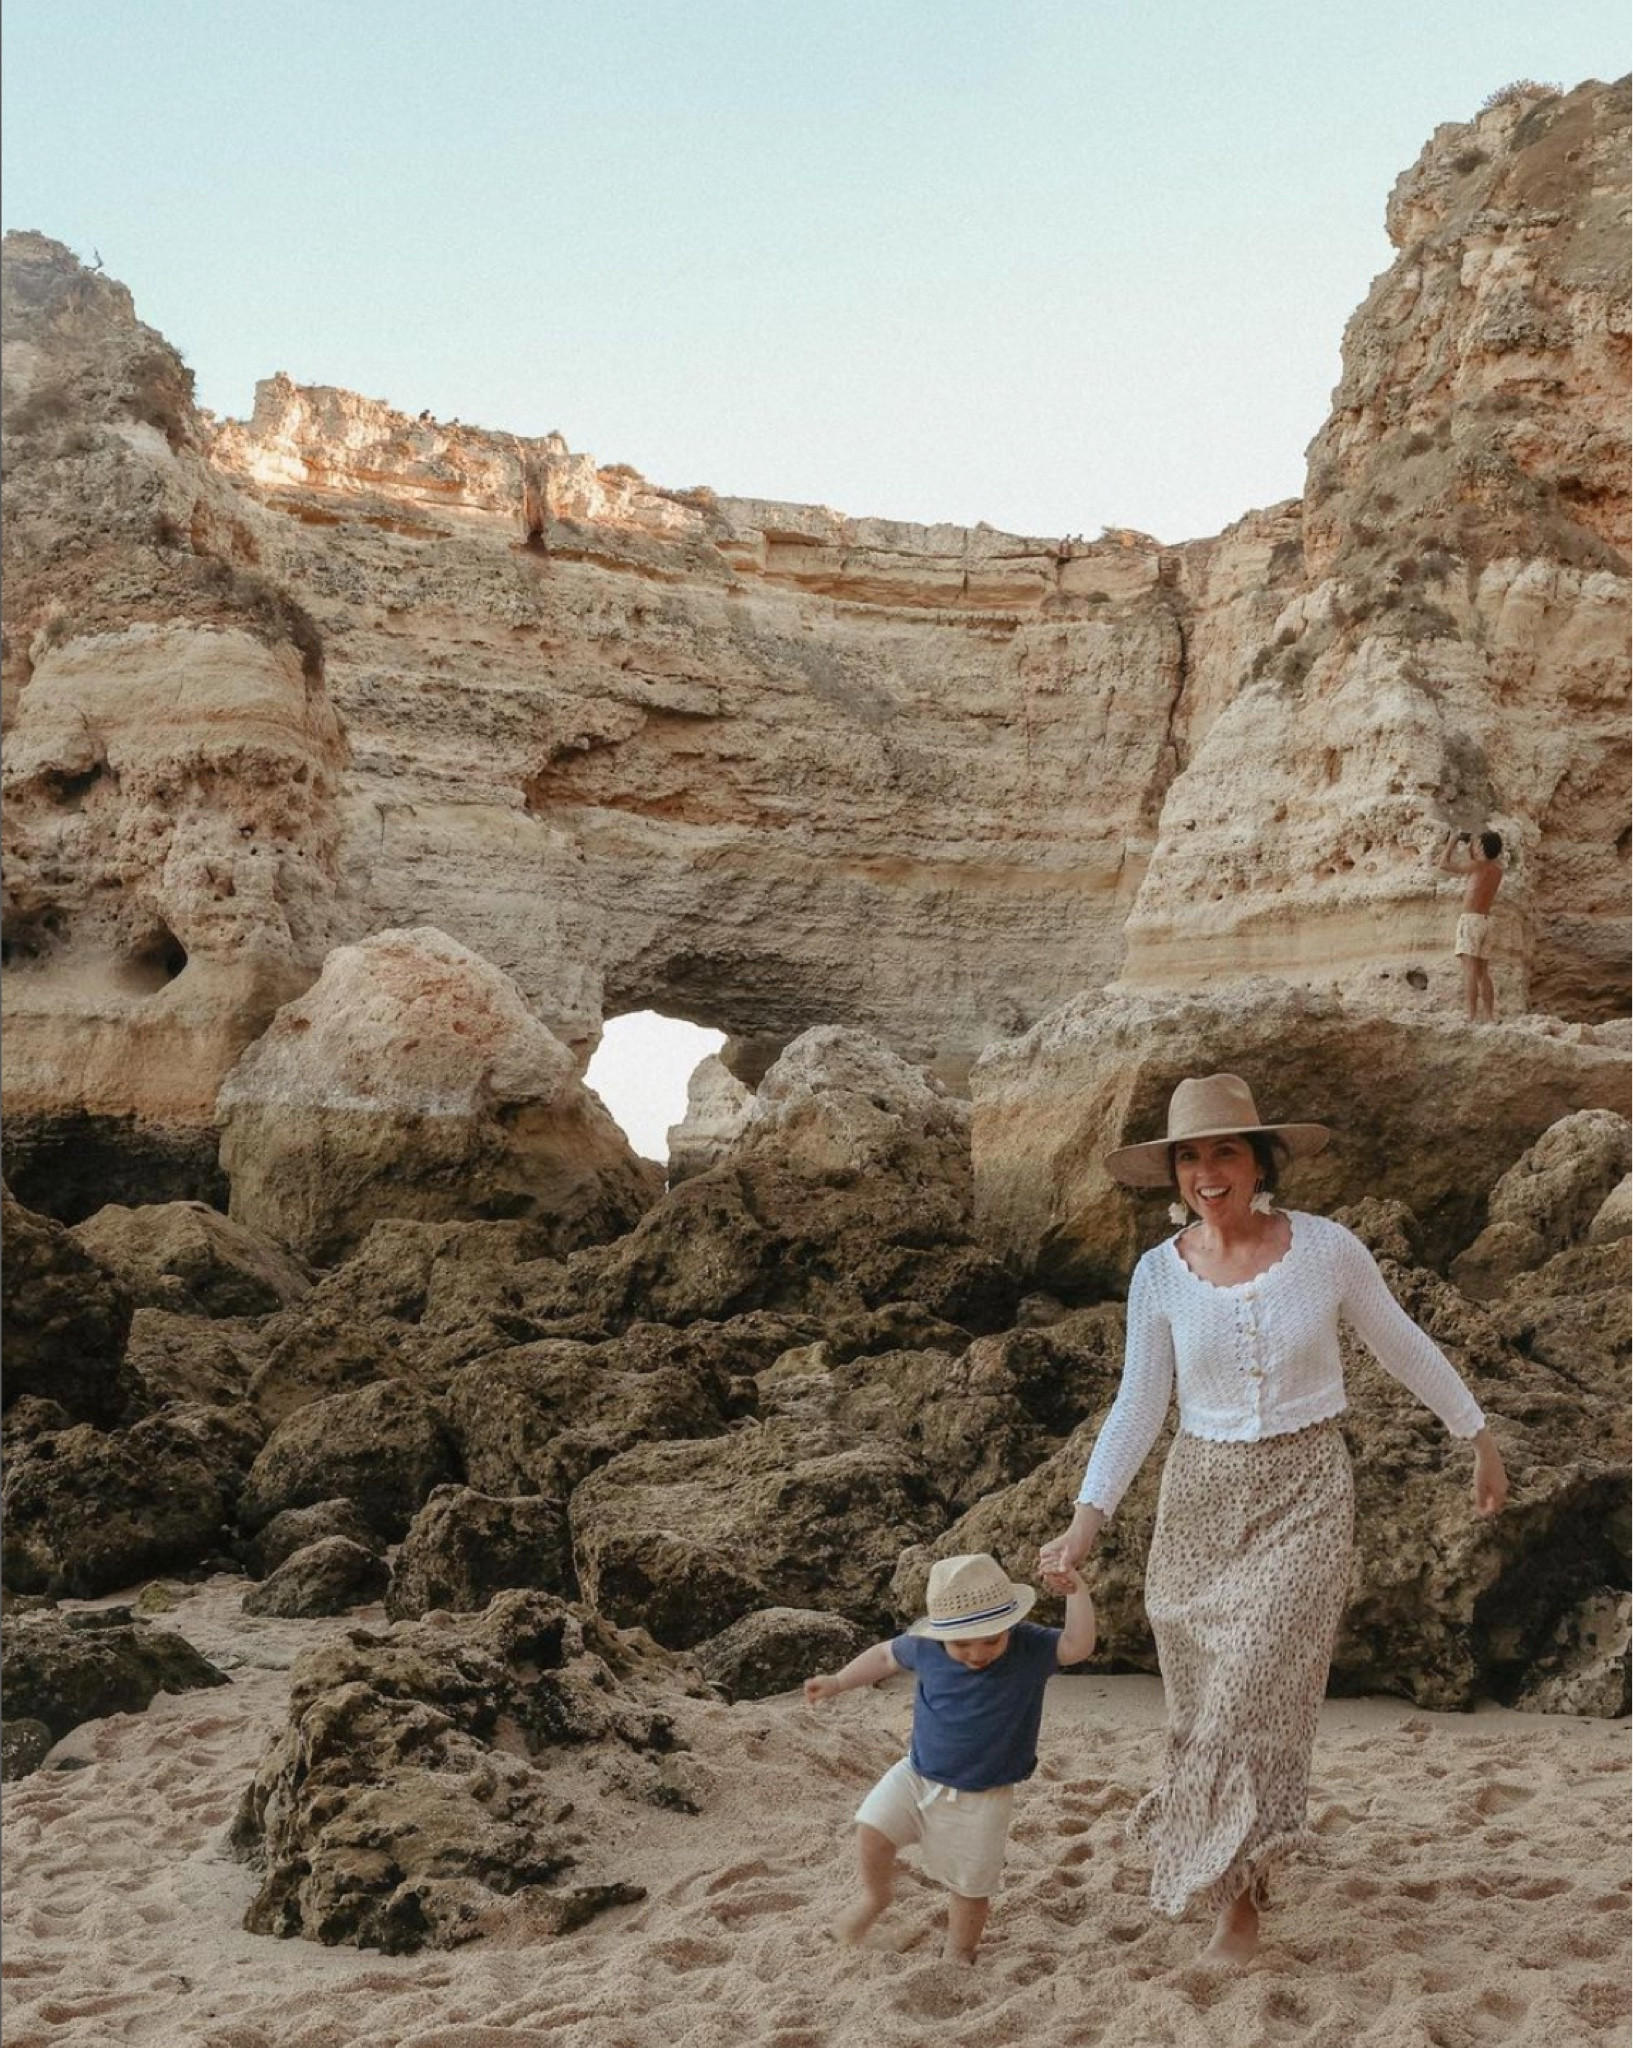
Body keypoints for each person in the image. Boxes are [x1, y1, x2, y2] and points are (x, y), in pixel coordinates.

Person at [1038, 1073, 1508, 1967]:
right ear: (1172, 1172)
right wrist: (1084, 1523)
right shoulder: (1155, 1276)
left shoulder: (1326, 1251)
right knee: (1203, 1709)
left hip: (1305, 1495)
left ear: (1260, 1161)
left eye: (1225, 1151)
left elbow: (1398, 1340)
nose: (1207, 1172)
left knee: (1251, 1700)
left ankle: (1236, 1914)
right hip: (1197, 1505)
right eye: (1189, 1157)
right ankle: (1237, 1879)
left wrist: (1475, 1432)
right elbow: (1138, 1404)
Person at [804, 1550, 1097, 1962]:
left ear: (1011, 1624)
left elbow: (1077, 1645)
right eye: (961, 1644)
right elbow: (884, 1656)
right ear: (941, 1634)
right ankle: (875, 1897)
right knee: (871, 1827)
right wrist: (838, 1681)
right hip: (917, 1772)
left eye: (991, 1640)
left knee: (970, 1886)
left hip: (983, 1795)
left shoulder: (1028, 1647)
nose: (977, 1653)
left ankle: (959, 1952)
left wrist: (1076, 1591)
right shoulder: (925, 1646)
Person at [1438, 828, 1505, 1023]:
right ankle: (1490, 1017)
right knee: (1483, 972)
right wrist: (1472, 846)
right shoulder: (1496, 870)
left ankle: (1471, 1016)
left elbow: (1443, 864)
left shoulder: (1477, 867)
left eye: (1477, 843)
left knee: (1470, 970)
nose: (1474, 846)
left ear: (1482, 847)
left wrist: (1452, 841)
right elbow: (1479, 861)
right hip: (1486, 922)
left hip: (1470, 921)